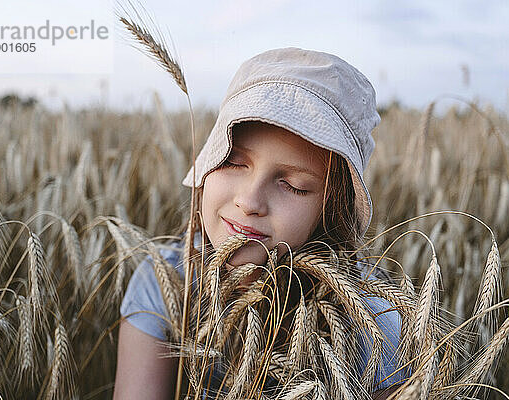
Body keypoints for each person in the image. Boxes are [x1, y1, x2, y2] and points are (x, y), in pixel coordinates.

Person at [114, 47, 406, 399]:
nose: (249, 202)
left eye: (293, 185)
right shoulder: (164, 282)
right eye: (233, 163)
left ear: (331, 210)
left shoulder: (371, 324)